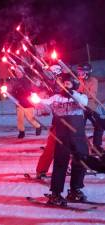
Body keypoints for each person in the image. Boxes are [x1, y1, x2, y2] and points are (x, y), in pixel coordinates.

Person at [38, 73, 89, 206]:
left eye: (67, 84)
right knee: (60, 163)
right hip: (62, 136)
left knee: (81, 160)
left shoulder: (80, 97)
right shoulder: (56, 98)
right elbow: (44, 105)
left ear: (74, 85)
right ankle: (55, 193)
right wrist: (37, 102)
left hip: (78, 136)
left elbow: (84, 103)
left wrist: (72, 93)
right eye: (63, 83)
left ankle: (75, 190)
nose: (64, 86)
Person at [77, 62, 103, 152]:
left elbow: (91, 94)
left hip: (91, 106)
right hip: (80, 108)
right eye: (78, 72)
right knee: (79, 128)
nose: (79, 74)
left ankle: (96, 146)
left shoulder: (93, 80)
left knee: (99, 125)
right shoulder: (78, 81)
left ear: (87, 72)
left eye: (81, 72)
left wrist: (80, 94)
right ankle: (79, 147)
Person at [10, 66, 41, 138]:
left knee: (30, 118)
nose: (17, 74)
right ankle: (21, 132)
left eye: (19, 72)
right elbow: (13, 91)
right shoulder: (15, 81)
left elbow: (29, 90)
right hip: (19, 103)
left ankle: (38, 127)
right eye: (16, 72)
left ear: (22, 72)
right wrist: (13, 94)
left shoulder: (27, 80)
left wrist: (23, 91)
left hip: (27, 102)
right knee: (20, 118)